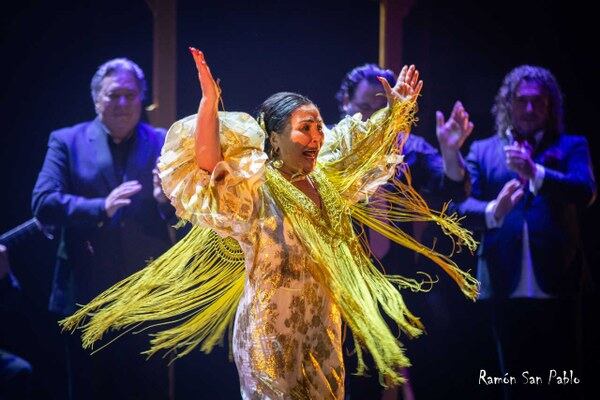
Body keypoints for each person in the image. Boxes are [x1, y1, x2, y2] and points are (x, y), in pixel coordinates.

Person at [61, 49, 478, 400]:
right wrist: (209, 104)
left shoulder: (329, 181)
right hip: (269, 332)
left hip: (322, 326)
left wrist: (397, 111)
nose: (317, 137)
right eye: (304, 129)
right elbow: (209, 166)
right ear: (274, 139)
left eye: (319, 128)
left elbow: (369, 149)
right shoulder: (256, 189)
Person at [31, 58, 174, 399]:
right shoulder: (66, 140)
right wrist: (99, 207)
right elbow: (42, 201)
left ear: (141, 98)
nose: (123, 103)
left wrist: (164, 200)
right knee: (90, 390)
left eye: (130, 94)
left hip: (146, 297)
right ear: (97, 98)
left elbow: (182, 216)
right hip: (85, 294)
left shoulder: (163, 140)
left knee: (148, 390)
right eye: (114, 95)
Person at [453, 65, 596, 399]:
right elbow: (460, 208)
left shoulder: (571, 146)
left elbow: (585, 191)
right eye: (522, 101)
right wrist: (493, 211)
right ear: (508, 105)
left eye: (539, 102)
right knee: (512, 386)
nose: (530, 109)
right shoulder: (483, 150)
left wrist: (536, 172)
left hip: (560, 282)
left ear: (550, 106)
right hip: (503, 283)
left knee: (563, 384)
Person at [335, 63, 474, 399]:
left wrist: (451, 150)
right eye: (366, 107)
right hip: (343, 280)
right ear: (345, 103)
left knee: (397, 375)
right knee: (347, 375)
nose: (374, 115)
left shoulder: (408, 147)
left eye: (384, 107)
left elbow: (451, 186)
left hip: (398, 278)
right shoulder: (329, 147)